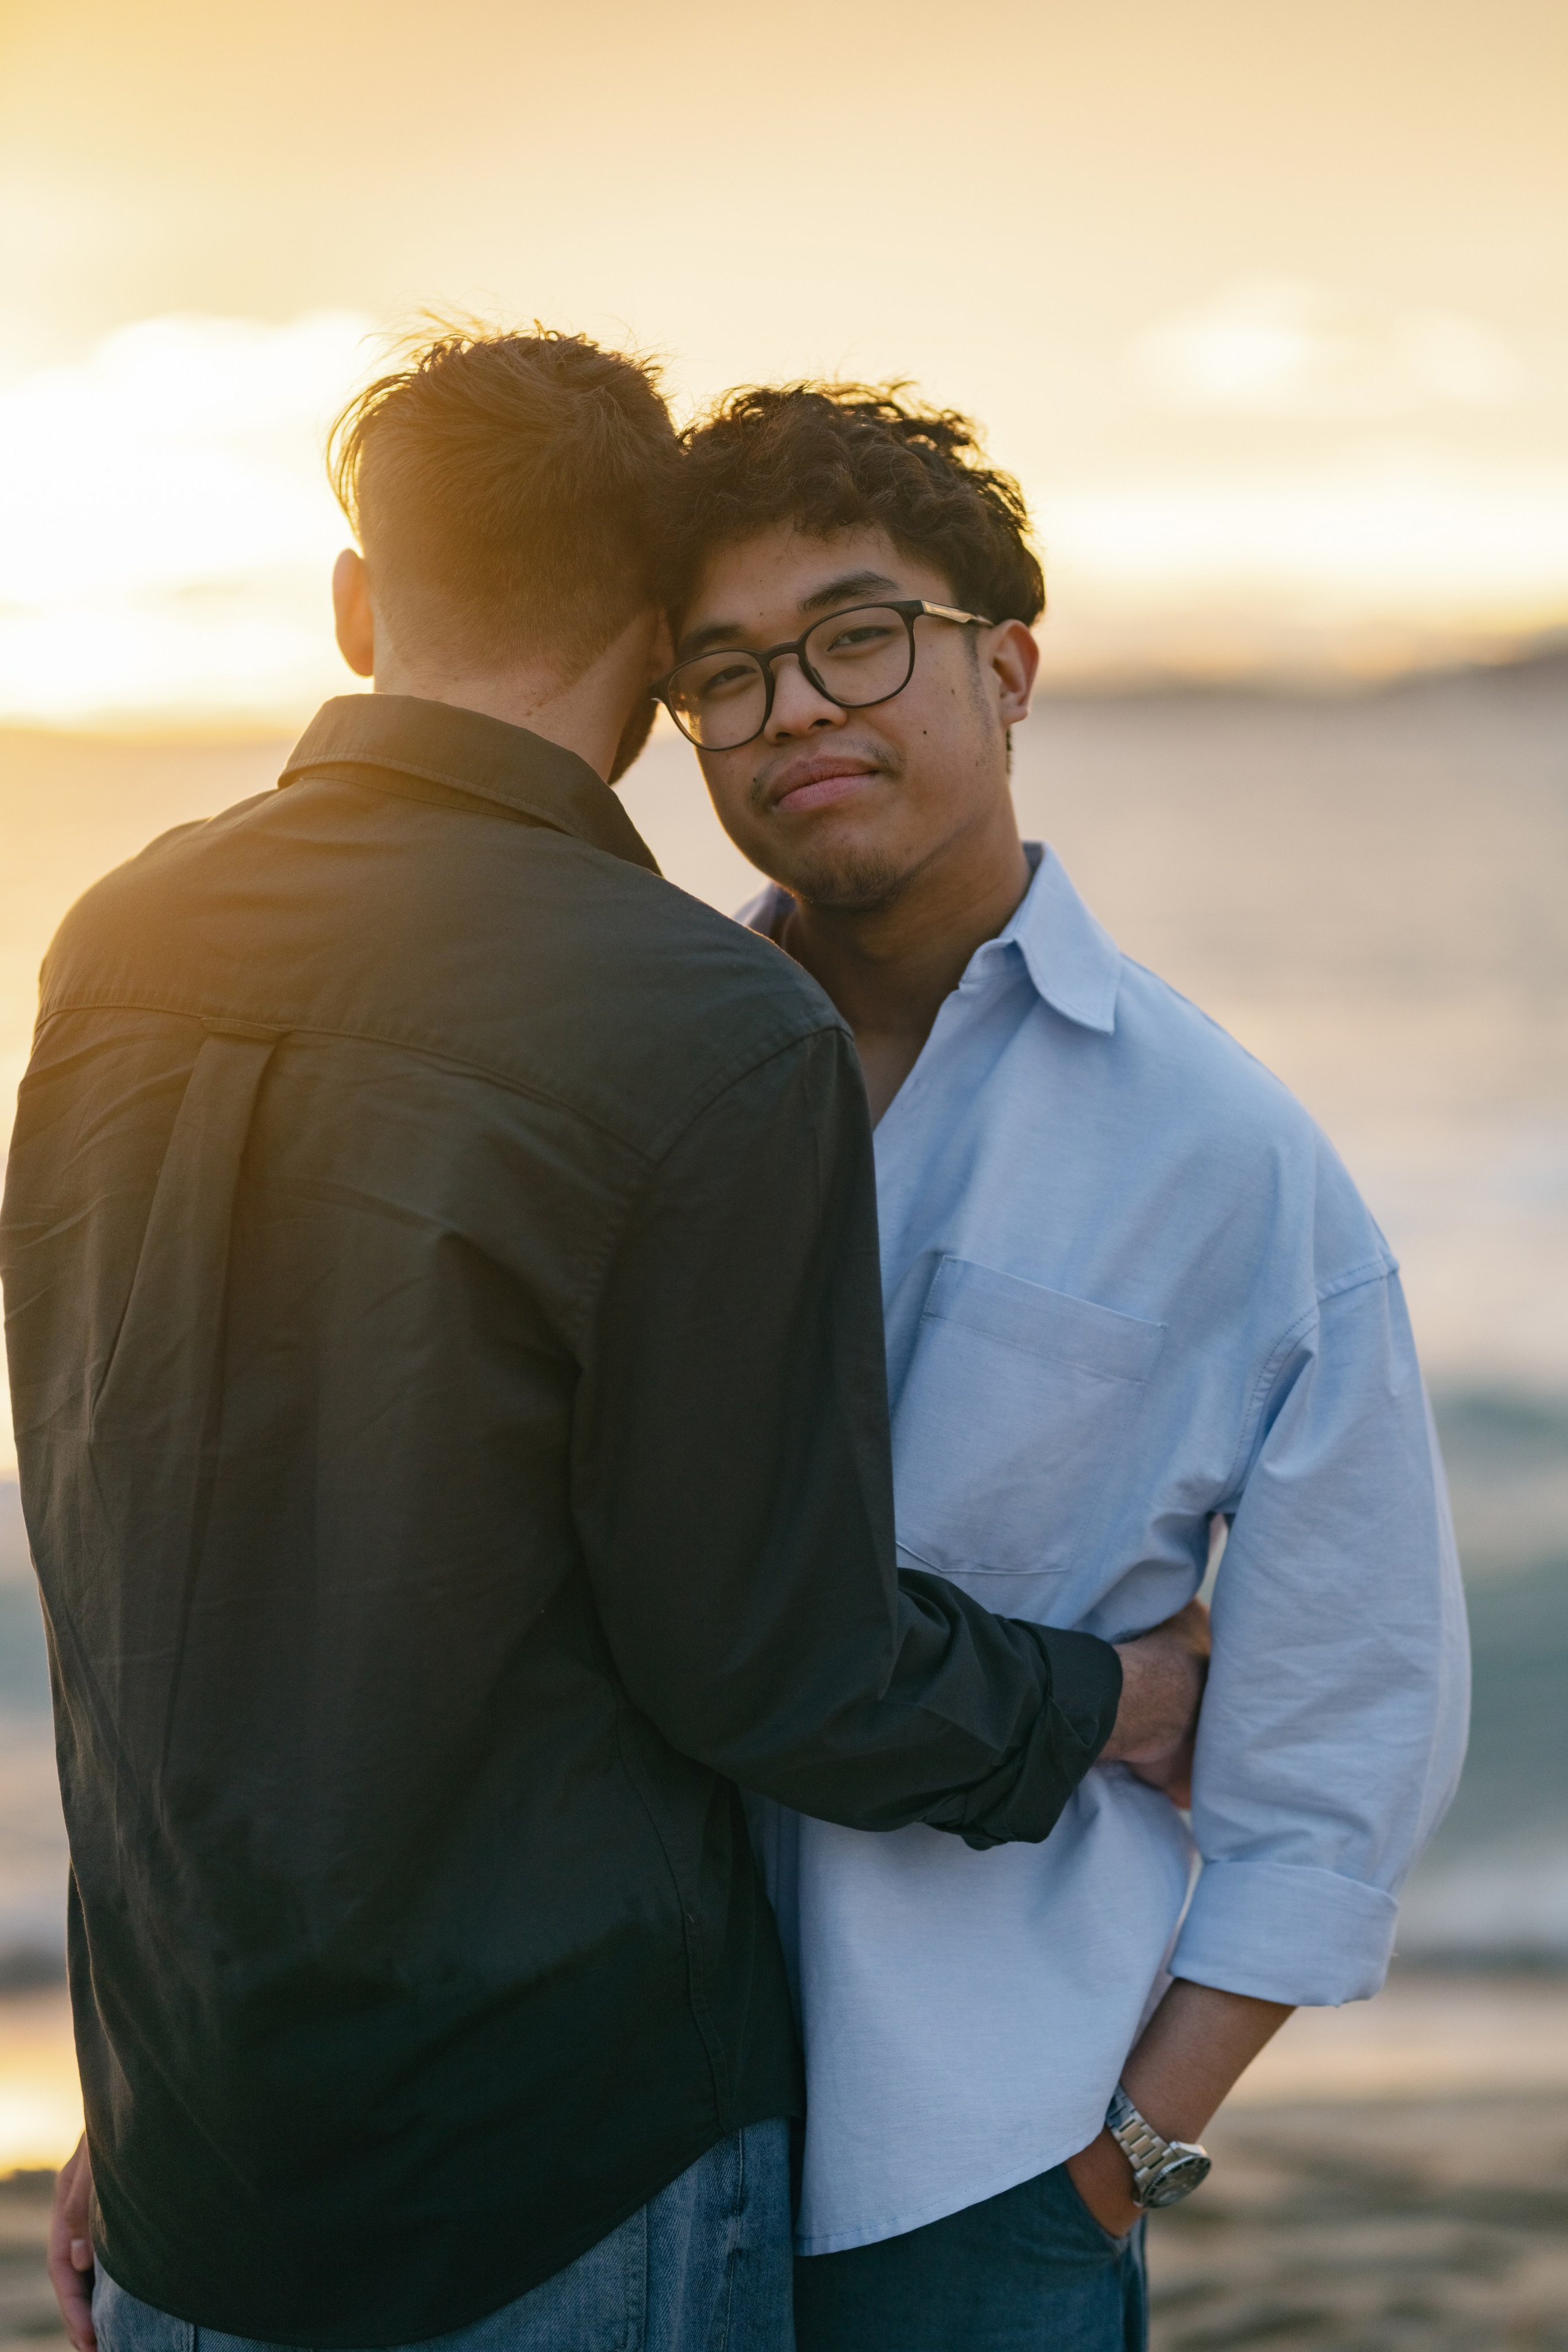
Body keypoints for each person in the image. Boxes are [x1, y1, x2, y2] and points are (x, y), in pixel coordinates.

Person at [4, 330, 1208, 2352]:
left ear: (360, 606)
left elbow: (104, 1523)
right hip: (557, 2165)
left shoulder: (115, 937)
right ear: (659, 655)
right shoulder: (712, 1025)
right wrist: (1109, 1705)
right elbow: (778, 1663)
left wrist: (135, 2080)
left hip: (197, 2149)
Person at [654, 383, 1471, 2352]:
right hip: (591, 2140)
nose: (798, 712)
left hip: (970, 2173)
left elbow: (1352, 1721)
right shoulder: (633, 1082)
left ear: (1008, 667)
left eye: (861, 637)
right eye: (726, 675)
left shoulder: (1218, 1151)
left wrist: (1124, 2155)